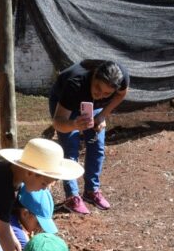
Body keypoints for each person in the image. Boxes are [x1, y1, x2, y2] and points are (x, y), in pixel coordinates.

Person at [48, 60, 129, 214]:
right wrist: (73, 125)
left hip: (94, 108)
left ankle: (91, 191)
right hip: (65, 105)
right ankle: (72, 197)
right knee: (70, 149)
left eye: (106, 93)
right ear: (94, 76)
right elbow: (58, 123)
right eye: (98, 88)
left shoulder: (121, 76)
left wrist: (103, 116)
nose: (100, 95)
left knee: (97, 145)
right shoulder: (75, 84)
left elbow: (122, 93)